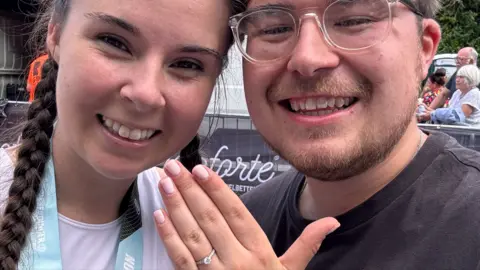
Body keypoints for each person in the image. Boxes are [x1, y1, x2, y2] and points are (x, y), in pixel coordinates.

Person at [0, 0, 334, 269]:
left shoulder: (210, 245)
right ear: (55, 34)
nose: (145, 93)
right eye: (114, 42)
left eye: (188, 64)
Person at [153, 0, 480, 269]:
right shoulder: (242, 226)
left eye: (353, 20)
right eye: (275, 28)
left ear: (424, 50)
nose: (307, 58)